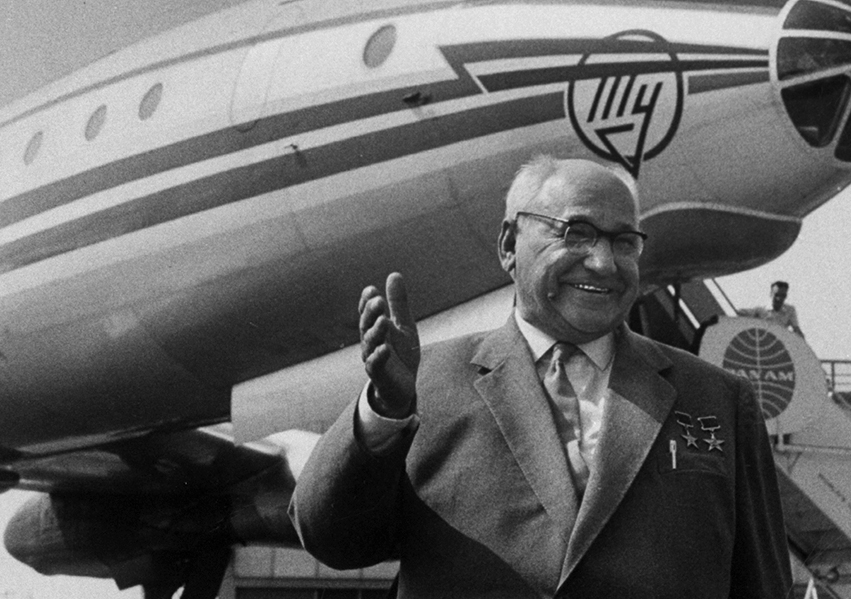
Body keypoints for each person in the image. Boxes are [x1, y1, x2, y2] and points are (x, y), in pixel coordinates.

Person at [290, 156, 791, 598]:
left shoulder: (719, 400)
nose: (603, 262)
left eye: (624, 242)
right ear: (510, 244)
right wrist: (382, 415)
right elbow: (329, 538)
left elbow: (764, 586)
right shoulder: (425, 383)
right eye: (576, 234)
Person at [738, 280, 804, 338]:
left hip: (780, 343)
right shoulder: (760, 311)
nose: (779, 299)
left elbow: (796, 329)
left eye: (783, 296)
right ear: (771, 294)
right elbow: (741, 313)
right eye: (777, 295)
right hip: (765, 343)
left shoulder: (790, 310)